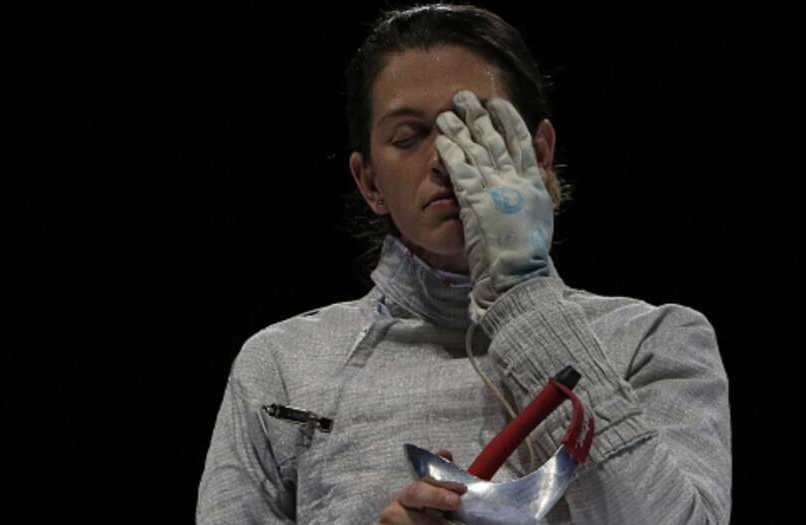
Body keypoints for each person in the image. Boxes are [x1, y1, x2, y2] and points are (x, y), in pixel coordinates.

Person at [196, 3, 732, 524]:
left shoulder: (654, 340)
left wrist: (521, 294)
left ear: (539, 153)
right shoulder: (284, 363)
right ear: (370, 183)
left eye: (474, 128)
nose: (445, 160)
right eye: (409, 136)